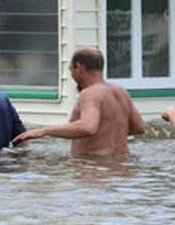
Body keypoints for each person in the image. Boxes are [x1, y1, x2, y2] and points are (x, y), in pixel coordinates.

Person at [12, 48, 146, 157]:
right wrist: (109, 131)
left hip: (94, 168)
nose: (71, 75)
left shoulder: (89, 93)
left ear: (79, 67)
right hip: (121, 166)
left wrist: (44, 131)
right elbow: (139, 127)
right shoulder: (121, 92)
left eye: (71, 70)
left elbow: (87, 127)